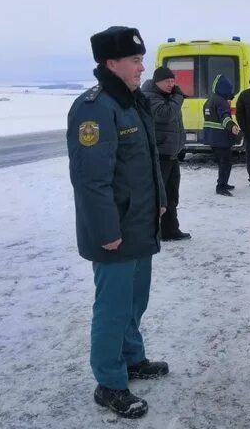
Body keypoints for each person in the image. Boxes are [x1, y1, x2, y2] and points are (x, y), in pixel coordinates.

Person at [67, 26, 169, 420]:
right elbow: (91, 179)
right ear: (111, 63)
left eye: (141, 60)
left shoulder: (131, 102)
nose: (142, 67)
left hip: (141, 223)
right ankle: (109, 382)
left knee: (134, 301)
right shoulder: (95, 107)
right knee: (112, 308)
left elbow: (147, 159)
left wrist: (160, 203)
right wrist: (106, 231)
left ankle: (132, 359)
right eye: (135, 60)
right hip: (116, 232)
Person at [141, 66, 191, 241]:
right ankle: (151, 232)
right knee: (158, 197)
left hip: (172, 154)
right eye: (167, 81)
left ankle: (170, 230)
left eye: (172, 80)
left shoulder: (168, 97)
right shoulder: (150, 96)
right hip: (159, 155)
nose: (171, 84)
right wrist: (178, 97)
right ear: (157, 82)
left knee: (171, 195)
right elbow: (165, 114)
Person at [202, 74, 240, 196]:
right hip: (221, 139)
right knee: (226, 163)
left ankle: (223, 183)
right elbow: (224, 117)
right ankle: (221, 186)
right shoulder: (221, 102)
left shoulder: (209, 100)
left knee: (222, 162)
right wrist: (232, 126)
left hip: (211, 138)